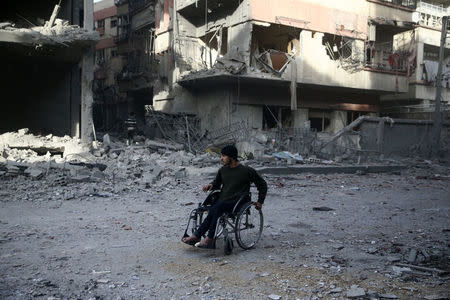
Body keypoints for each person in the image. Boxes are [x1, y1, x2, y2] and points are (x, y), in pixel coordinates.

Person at [182, 145, 268, 248]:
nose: (221, 158)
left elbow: (262, 184)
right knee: (211, 208)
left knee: (217, 207)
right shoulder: (223, 170)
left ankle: (207, 238)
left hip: (238, 202)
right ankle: (198, 236)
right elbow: (217, 184)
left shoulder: (246, 171)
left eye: (223, 156)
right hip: (223, 201)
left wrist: (260, 201)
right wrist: (211, 185)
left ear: (231, 157)